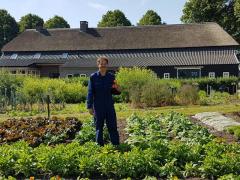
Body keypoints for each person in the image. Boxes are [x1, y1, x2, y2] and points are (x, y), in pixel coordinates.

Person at [86, 56, 121, 146]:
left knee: (112, 126)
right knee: (99, 127)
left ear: (107, 65)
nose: (103, 65)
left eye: (105, 64)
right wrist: (89, 106)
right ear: (98, 64)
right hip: (98, 106)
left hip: (109, 105)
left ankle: (116, 145)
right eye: (101, 63)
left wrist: (118, 89)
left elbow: (115, 92)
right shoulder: (93, 77)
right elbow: (90, 92)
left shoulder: (111, 77)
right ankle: (99, 146)